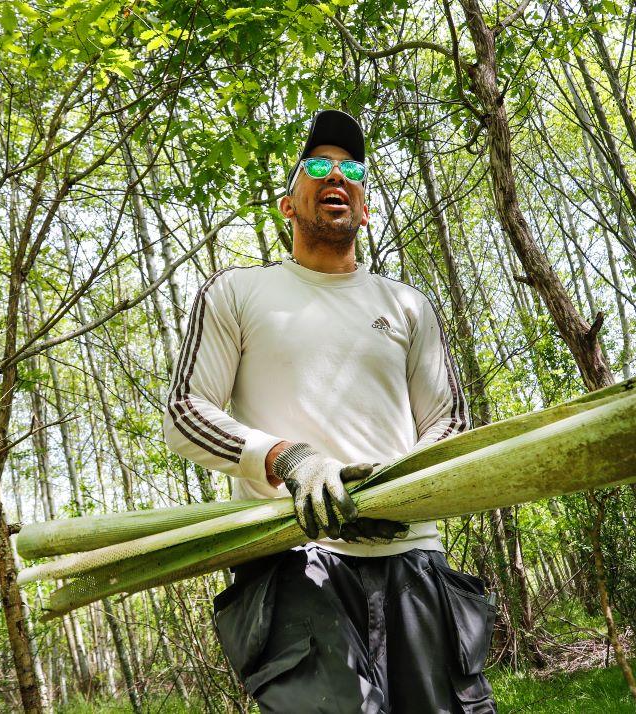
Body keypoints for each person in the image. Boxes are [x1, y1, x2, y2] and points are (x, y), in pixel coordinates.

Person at [163, 109, 496, 713]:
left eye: (351, 170)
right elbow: (187, 411)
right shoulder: (237, 292)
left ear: (365, 208)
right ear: (289, 205)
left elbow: (448, 424)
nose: (335, 175)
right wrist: (286, 458)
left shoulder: (408, 305)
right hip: (293, 561)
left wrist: (402, 491)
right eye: (318, 165)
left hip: (414, 558)